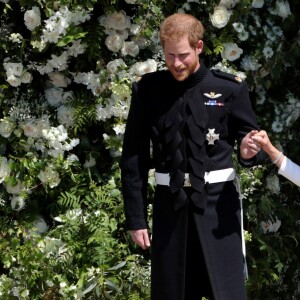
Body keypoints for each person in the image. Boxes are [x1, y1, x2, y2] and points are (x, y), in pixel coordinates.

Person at [121, 13, 266, 300]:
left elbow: (251, 144)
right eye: (169, 55)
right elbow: (133, 157)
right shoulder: (148, 90)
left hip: (218, 210)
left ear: (199, 47)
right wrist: (136, 219)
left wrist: (249, 152)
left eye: (183, 55)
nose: (176, 63)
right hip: (169, 211)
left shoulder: (230, 88)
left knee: (226, 294)